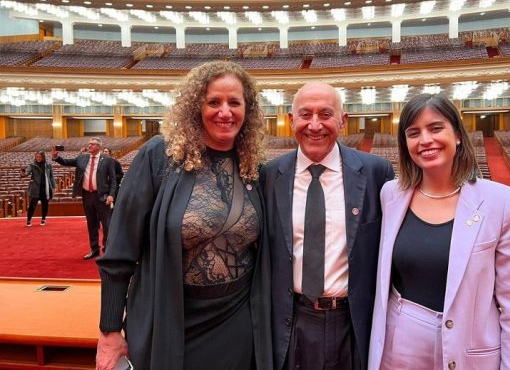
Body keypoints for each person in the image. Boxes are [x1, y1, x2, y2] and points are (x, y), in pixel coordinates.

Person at [95, 61, 271, 370]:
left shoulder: (253, 166)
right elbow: (119, 252)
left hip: (236, 321)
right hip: (169, 317)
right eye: (213, 102)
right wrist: (110, 331)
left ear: (248, 110)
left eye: (234, 102)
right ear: (196, 107)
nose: (225, 112)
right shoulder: (158, 157)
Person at [368, 93, 510, 370]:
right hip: (398, 349)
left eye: (436, 128)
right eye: (413, 133)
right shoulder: (390, 195)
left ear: (457, 135)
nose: (425, 140)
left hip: (469, 349)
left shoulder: (501, 201)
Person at [260, 82, 394, 370]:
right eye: (305, 114)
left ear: (343, 121)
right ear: (291, 120)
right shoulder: (269, 176)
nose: (314, 125)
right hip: (291, 321)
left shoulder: (376, 172)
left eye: (325, 114)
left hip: (353, 323)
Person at [51, 137, 116, 260]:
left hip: (102, 196)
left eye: (92, 144)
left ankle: (107, 250)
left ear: (99, 147)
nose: (89, 145)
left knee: (106, 225)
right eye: (89, 144)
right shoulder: (82, 158)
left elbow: (113, 179)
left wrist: (111, 195)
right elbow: (66, 162)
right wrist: (56, 157)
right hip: (87, 196)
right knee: (91, 224)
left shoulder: (107, 159)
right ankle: (94, 250)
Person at [20, 151, 56, 227]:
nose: (38, 158)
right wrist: (23, 174)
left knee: (45, 205)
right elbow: (27, 173)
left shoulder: (48, 165)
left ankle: (43, 219)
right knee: (32, 205)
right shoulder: (32, 165)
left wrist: (53, 187)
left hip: (45, 188)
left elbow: (51, 176)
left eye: (40, 157)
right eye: (37, 157)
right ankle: (29, 220)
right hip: (35, 188)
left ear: (43, 157)